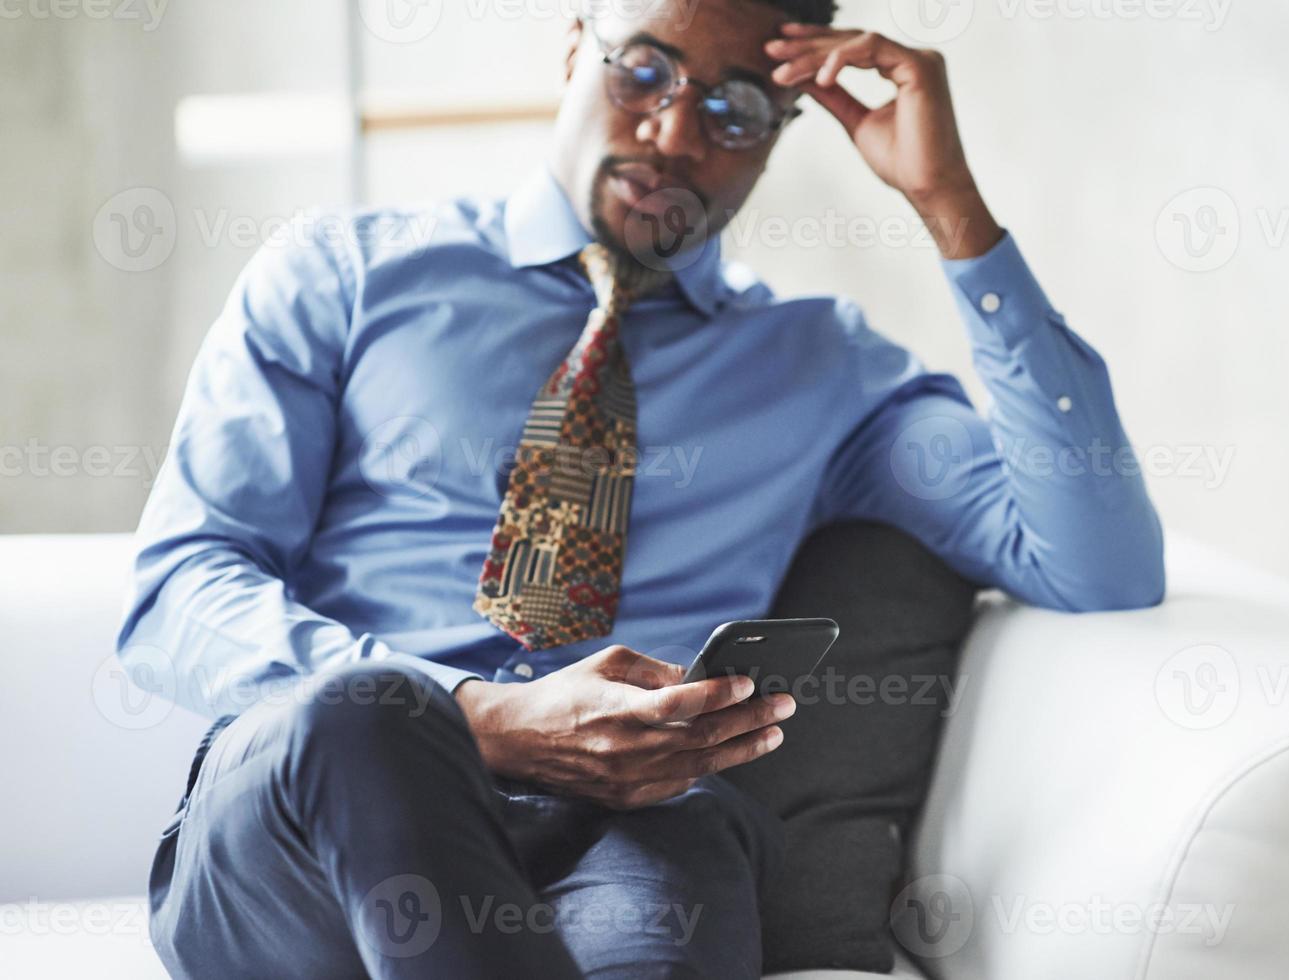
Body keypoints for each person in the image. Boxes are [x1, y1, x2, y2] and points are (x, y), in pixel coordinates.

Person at [118, 0, 1165, 976]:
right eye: (644, 71)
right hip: (305, 820)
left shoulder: (822, 367)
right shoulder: (341, 273)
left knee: (694, 838)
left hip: (631, 822)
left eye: (736, 108)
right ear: (576, 47)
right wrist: (480, 714)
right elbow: (178, 592)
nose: (674, 135)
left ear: (786, 127)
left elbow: (1095, 563)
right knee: (368, 714)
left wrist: (955, 213)